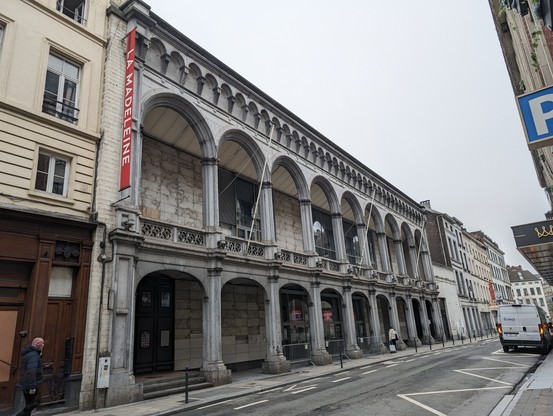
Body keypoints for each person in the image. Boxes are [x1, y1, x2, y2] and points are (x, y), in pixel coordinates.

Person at [15, 337, 44, 416]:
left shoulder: (31, 353)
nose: (43, 346)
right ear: (38, 344)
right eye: (42, 344)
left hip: (26, 383)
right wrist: (32, 386)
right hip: (29, 384)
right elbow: (31, 371)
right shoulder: (33, 355)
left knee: (30, 404)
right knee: (34, 403)